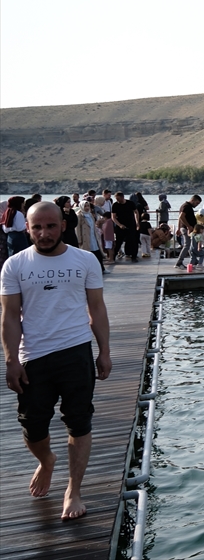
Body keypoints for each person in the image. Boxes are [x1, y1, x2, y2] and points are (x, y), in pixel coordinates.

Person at [1, 202, 111, 521]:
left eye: (51, 226)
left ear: (63, 226)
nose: (44, 233)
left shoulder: (85, 260)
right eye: (37, 227)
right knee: (32, 426)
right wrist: (11, 360)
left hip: (75, 350)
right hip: (33, 355)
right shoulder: (14, 265)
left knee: (79, 420)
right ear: (27, 228)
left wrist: (104, 351)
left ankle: (73, 491)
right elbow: (10, 316)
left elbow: (97, 308)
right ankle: (46, 460)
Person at [173, 195, 202, 270]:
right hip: (187, 229)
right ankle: (179, 262)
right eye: (196, 203)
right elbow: (181, 217)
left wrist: (179, 228)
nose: (197, 205)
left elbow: (180, 218)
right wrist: (188, 226)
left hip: (186, 228)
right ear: (192, 200)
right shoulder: (186, 206)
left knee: (191, 245)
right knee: (187, 245)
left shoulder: (186, 206)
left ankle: (194, 260)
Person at [110, 192, 139, 263]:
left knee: (133, 241)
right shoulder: (115, 205)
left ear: (122, 197)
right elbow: (113, 217)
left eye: (118, 199)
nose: (117, 200)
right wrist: (119, 225)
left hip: (131, 224)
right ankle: (113, 257)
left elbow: (136, 212)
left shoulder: (130, 203)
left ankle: (134, 257)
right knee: (118, 242)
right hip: (120, 226)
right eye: (116, 199)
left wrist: (137, 222)